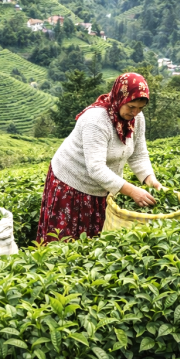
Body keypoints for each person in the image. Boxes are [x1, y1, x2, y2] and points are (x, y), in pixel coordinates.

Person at [36, 73, 163, 243]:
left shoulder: (137, 119)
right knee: (65, 242)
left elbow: (138, 154)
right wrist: (133, 191)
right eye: (131, 106)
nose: (135, 112)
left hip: (103, 186)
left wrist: (151, 181)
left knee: (94, 242)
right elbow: (96, 168)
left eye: (140, 108)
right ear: (120, 97)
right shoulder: (96, 120)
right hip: (72, 183)